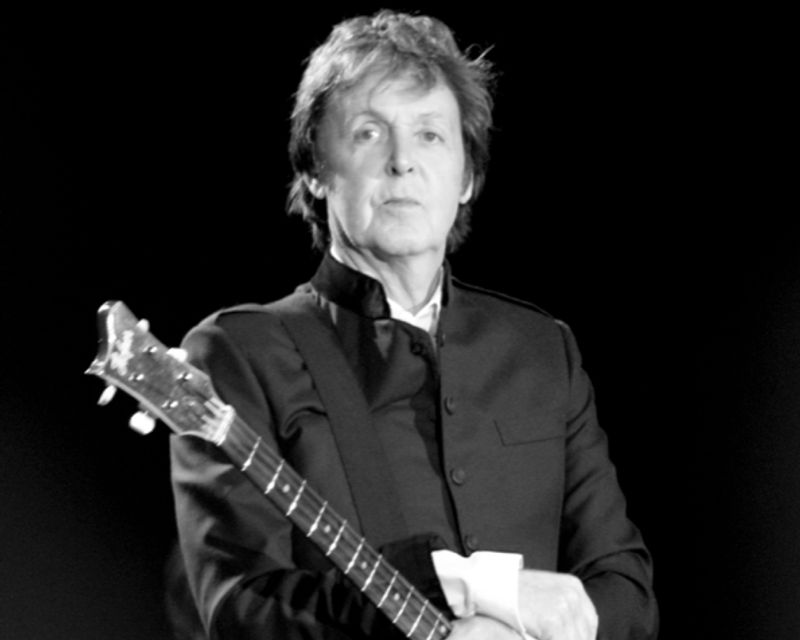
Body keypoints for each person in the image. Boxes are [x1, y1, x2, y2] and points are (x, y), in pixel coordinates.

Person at [170, 10, 658, 639]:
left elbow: (625, 592)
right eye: (368, 133)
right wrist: (474, 589)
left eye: (430, 135)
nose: (402, 161)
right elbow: (244, 610)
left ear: (467, 178)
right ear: (315, 171)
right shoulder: (240, 354)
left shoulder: (542, 350)